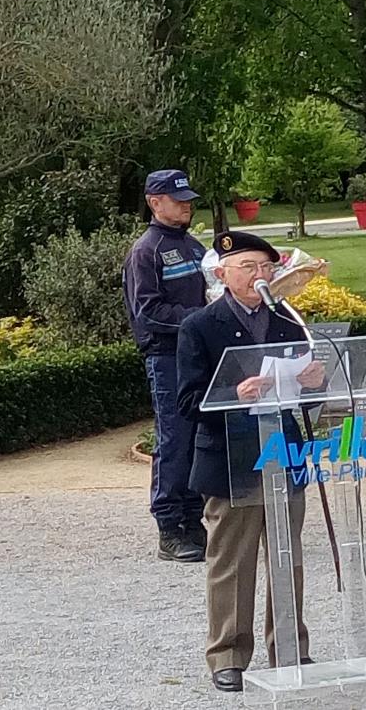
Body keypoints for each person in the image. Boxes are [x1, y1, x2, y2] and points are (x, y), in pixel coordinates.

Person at [176, 231, 324, 693]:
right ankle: (228, 655)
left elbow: (307, 387)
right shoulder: (201, 326)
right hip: (229, 460)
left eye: (265, 267)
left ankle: (290, 649)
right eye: (248, 268)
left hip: (283, 450)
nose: (259, 277)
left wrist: (316, 381)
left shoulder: (287, 321)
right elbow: (185, 402)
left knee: (288, 555)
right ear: (222, 274)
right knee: (232, 562)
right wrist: (231, 395)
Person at [123, 169, 207, 562]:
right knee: (174, 439)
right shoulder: (146, 250)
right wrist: (198, 319)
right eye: (178, 199)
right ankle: (169, 527)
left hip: (197, 355)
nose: (187, 204)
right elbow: (149, 311)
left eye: (188, 198)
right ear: (155, 202)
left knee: (199, 436)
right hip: (167, 356)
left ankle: (194, 519)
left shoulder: (193, 246)